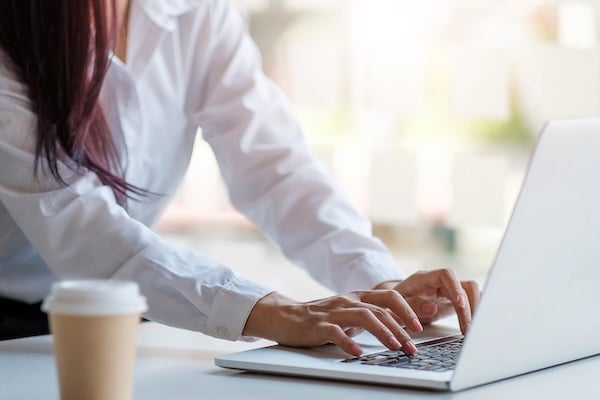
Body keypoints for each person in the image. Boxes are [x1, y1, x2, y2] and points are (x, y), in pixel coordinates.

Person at [0, 0, 479, 354]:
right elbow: (81, 226)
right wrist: (272, 311)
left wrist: (382, 286)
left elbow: (275, 168)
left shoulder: (196, 13)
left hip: (120, 314)